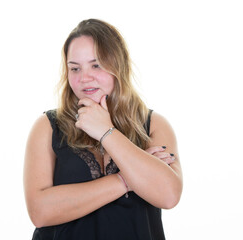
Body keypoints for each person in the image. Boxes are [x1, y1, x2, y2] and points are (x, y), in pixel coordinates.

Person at [23, 18, 183, 240]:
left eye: (96, 65)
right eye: (75, 68)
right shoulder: (48, 126)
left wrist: (106, 131)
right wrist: (126, 180)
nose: (84, 78)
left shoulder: (153, 124)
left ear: (118, 64)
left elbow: (168, 195)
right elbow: (40, 212)